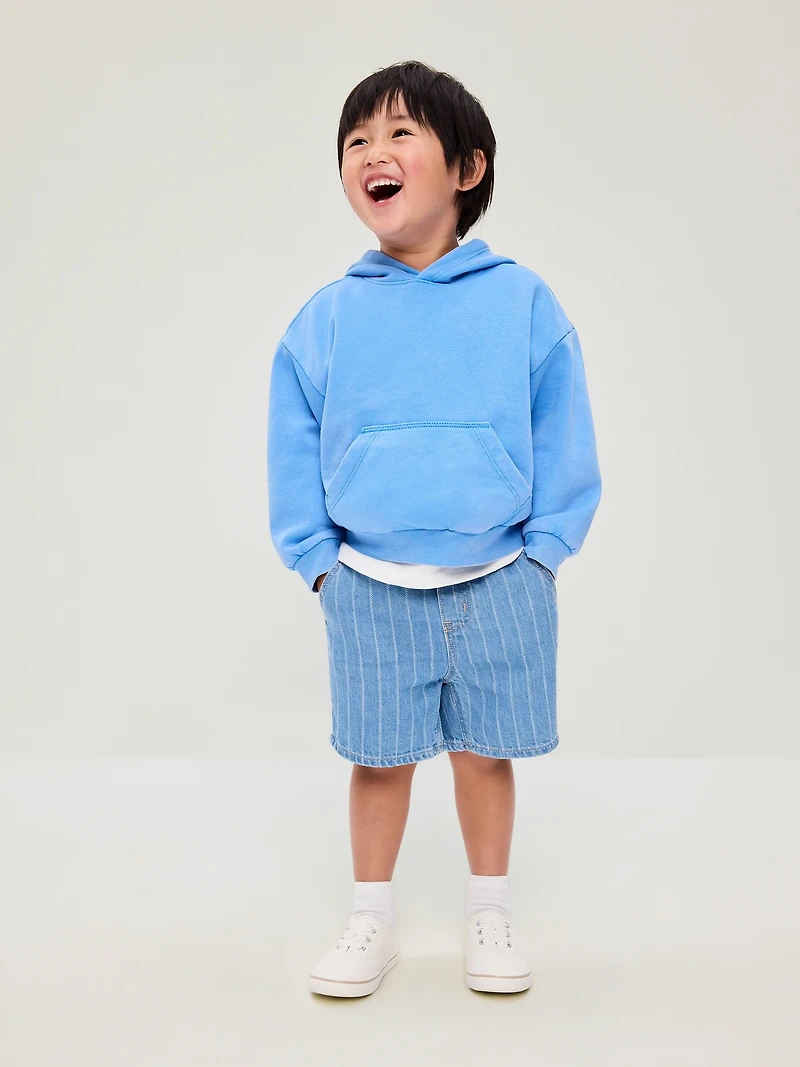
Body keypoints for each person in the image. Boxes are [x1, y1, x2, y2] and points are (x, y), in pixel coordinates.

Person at [266, 60, 602, 997]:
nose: (373, 153)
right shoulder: (328, 318)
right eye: (356, 141)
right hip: (369, 582)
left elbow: (563, 431)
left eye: (400, 133)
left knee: (485, 754)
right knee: (378, 761)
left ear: (467, 167)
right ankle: (371, 917)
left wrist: (543, 556)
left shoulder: (521, 301)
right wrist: (320, 564)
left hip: (501, 576)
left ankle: (488, 908)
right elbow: (291, 445)